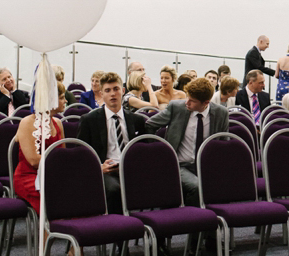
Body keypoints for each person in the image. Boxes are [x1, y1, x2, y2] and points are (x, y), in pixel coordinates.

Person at [146, 78, 228, 208]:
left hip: (206, 166)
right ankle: (191, 222)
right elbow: (149, 125)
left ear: (206, 103)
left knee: (224, 186)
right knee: (197, 187)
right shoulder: (177, 107)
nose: (187, 102)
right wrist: (159, 152)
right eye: (187, 98)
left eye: (192, 101)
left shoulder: (220, 113)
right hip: (179, 165)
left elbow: (224, 145)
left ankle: (209, 224)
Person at [77, 72, 146, 215]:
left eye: (116, 89)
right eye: (108, 91)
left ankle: (156, 233)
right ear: (101, 94)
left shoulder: (137, 120)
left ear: (123, 91)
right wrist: (98, 167)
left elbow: (143, 150)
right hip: (105, 169)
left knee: (160, 183)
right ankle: (118, 231)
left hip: (130, 168)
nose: (113, 94)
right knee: (115, 189)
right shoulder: (89, 120)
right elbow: (81, 153)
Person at [12, 104, 65, 256]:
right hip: (29, 176)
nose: (65, 101)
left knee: (76, 195)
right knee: (48, 201)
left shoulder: (58, 122)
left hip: (53, 173)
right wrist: (58, 159)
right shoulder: (28, 122)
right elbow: (34, 160)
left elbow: (63, 155)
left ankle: (74, 250)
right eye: (61, 98)